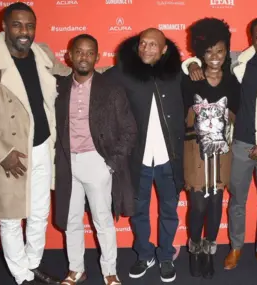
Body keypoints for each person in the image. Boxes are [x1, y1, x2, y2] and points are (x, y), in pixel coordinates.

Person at [183, 16, 257, 275]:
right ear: (251, 37)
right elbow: (208, 57)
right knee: (237, 201)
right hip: (238, 144)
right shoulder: (238, 61)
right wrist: (192, 62)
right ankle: (236, 248)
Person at [0, 3, 70, 285]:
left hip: (43, 147)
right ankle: (22, 276)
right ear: (3, 27)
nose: (25, 32)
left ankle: (33, 264)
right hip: (11, 152)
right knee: (11, 218)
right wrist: (2, 154)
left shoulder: (42, 54)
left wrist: (119, 70)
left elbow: (74, 77)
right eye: (17, 25)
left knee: (39, 212)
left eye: (30, 25)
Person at [53, 34, 137, 285]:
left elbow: (130, 130)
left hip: (97, 162)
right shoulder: (59, 87)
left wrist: (111, 162)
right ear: (69, 56)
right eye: (79, 51)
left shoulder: (111, 89)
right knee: (70, 220)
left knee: (102, 221)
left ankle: (110, 271)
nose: (84, 57)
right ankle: (75, 269)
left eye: (90, 52)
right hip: (67, 162)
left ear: (97, 57)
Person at [104, 28, 185, 283]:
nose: (146, 49)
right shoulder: (122, 74)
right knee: (139, 211)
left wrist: (193, 63)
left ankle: (166, 256)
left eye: (153, 45)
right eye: (143, 44)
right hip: (137, 158)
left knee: (169, 210)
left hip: (168, 158)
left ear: (164, 50)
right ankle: (144, 254)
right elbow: (91, 79)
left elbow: (203, 75)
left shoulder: (176, 75)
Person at [181, 18, 240, 279]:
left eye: (220, 50)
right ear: (199, 52)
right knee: (198, 205)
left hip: (221, 150)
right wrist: (190, 65)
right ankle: (195, 249)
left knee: (216, 203)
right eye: (208, 51)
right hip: (195, 150)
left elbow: (237, 115)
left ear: (227, 50)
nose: (214, 57)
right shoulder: (189, 78)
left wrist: (221, 117)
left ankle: (209, 251)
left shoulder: (232, 81)